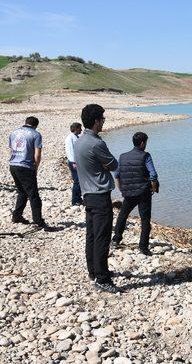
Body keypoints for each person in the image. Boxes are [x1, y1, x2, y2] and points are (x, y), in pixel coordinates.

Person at [75, 104, 119, 293]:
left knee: (92, 235)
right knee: (102, 237)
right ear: (96, 121)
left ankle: (94, 271)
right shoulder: (96, 143)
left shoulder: (80, 140)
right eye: (102, 119)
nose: (103, 122)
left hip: (88, 193)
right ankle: (102, 278)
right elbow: (113, 164)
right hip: (100, 195)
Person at [112, 132, 159, 256]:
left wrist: (121, 190)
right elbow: (153, 175)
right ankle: (143, 247)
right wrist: (153, 188)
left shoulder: (122, 156)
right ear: (143, 143)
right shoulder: (146, 156)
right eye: (146, 142)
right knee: (145, 219)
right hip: (143, 192)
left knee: (123, 215)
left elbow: (116, 175)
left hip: (128, 193)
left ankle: (116, 239)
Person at [8, 116, 51, 229]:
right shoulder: (35, 134)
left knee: (22, 191)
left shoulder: (14, 132)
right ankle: (38, 221)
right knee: (34, 195)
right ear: (36, 125)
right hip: (26, 166)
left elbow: (11, 149)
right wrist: (35, 168)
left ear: (25, 122)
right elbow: (37, 154)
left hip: (13, 164)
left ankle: (17, 215)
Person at [65, 122, 83, 206]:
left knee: (79, 181)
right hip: (74, 162)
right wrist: (74, 162)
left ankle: (78, 198)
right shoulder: (70, 138)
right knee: (77, 181)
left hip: (77, 162)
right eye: (80, 128)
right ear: (76, 129)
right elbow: (70, 151)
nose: (81, 130)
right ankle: (75, 200)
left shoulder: (76, 137)